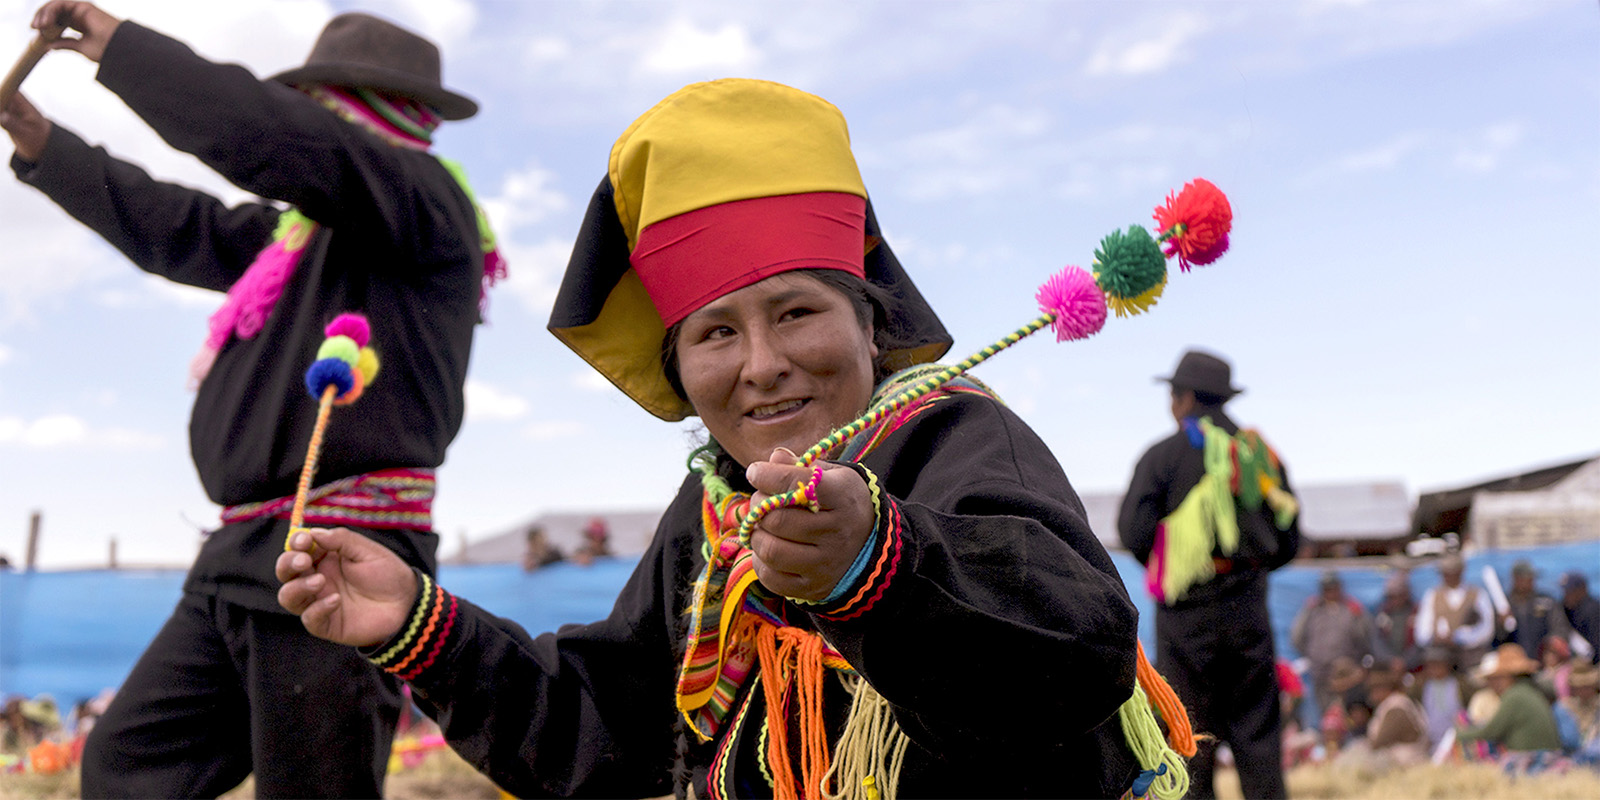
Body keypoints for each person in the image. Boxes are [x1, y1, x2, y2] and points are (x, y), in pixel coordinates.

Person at [278, 78, 1169, 799]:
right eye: (715, 334)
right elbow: (608, 731)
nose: (763, 364)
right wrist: (417, 626)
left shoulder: (959, 438)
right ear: (680, 369)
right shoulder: (713, 510)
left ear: (870, 326)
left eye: (796, 313)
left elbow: (1076, 653)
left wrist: (874, 564)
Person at [2, 3, 499, 796]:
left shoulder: (423, 206)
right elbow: (178, 224)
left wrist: (114, 44)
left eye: (318, 105)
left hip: (343, 553)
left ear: (366, 113)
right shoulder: (294, 241)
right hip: (236, 561)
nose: (300, 119)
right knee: (129, 764)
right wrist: (41, 141)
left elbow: (284, 142)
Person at [1119, 348, 1300, 799]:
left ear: (1183, 399)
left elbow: (1132, 530)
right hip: (1247, 610)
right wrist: (1247, 571)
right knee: (1258, 736)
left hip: (1186, 619)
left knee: (1189, 739)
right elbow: (1290, 537)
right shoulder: (1261, 456)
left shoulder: (1163, 457)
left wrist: (1180, 568)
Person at [1292, 569, 1375, 718]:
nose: (1330, 593)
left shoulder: (1351, 610)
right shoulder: (1313, 611)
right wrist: (1312, 656)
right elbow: (1297, 637)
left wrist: (1354, 665)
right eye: (1326, 589)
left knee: (1347, 713)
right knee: (1325, 715)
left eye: (1333, 588)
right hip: (1320, 673)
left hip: (1346, 675)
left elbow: (1365, 640)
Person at [1457, 643, 1562, 754]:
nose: (1493, 684)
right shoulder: (1527, 690)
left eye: (1498, 679)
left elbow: (1492, 731)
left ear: (1511, 676)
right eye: (1491, 680)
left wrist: (1459, 734)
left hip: (1531, 756)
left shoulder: (1515, 696)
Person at [1414, 553, 1495, 672]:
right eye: (1445, 573)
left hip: (1469, 657)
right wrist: (1436, 638)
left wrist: (1461, 639)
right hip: (1441, 658)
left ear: (1461, 572)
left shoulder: (1477, 594)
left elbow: (1486, 629)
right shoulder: (1432, 595)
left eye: (1451, 573)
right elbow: (1422, 632)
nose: (1447, 577)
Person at [1497, 559, 1572, 658]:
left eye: (1531, 579)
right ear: (1515, 579)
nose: (1530, 582)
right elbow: (1496, 639)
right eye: (1526, 579)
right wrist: (1501, 625)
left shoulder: (1545, 601)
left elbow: (1560, 627)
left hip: (1544, 660)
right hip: (1515, 662)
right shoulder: (1504, 605)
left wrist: (1553, 642)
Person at [1412, 644, 1470, 748]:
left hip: (1456, 737)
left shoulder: (1460, 684)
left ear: (1447, 664)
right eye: (1431, 664)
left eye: (1438, 664)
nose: (1434, 668)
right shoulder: (1421, 685)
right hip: (1429, 739)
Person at [1371, 569, 1418, 672]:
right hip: (1387, 666)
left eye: (1399, 595)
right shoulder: (1382, 613)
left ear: (1406, 594)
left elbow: (1420, 641)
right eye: (1391, 596)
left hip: (1413, 666)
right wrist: (1390, 660)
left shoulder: (1417, 612)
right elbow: (1377, 641)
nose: (1395, 599)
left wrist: (1405, 661)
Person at [1561, 571, 1600, 664]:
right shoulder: (1569, 609)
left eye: (1570, 591)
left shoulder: (1593, 610)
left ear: (1582, 590)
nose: (1566, 595)